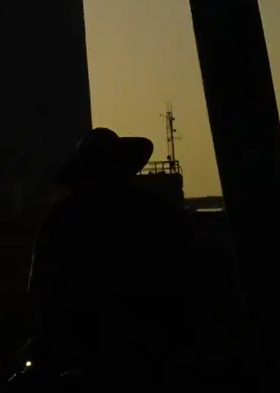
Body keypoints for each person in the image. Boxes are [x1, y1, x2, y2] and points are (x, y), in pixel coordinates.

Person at [25, 126, 192, 374]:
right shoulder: (152, 210)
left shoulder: (63, 216)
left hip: (84, 348)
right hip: (148, 346)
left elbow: (42, 289)